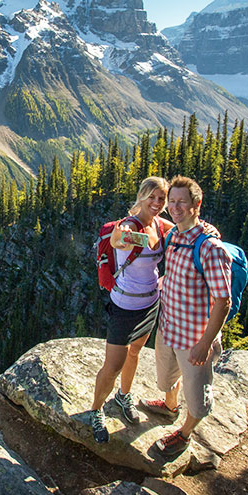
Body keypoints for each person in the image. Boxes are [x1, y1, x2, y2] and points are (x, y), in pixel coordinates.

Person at [138, 175, 232, 457]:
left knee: (197, 396)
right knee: (166, 377)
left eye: (182, 202)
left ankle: (185, 433)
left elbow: (223, 301)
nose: (175, 207)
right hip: (169, 328)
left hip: (194, 339)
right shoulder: (175, 236)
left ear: (196, 204)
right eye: (172, 201)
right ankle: (169, 405)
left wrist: (205, 343)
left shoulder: (210, 248)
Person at [82, 176, 174, 443]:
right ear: (142, 196)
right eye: (151, 197)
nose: (156, 203)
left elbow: (185, 228)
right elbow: (118, 241)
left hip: (150, 304)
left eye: (161, 198)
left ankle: (123, 396)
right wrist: (149, 239)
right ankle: (96, 410)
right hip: (124, 306)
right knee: (112, 366)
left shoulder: (160, 224)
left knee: (135, 352)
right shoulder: (127, 227)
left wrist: (205, 230)